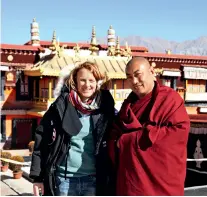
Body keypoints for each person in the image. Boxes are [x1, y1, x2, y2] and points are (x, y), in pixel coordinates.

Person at [30, 61, 115, 196]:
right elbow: (41, 140)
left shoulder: (105, 108)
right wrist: (37, 178)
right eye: (82, 80)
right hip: (64, 179)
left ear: (97, 82)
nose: (87, 85)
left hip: (94, 178)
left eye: (91, 80)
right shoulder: (61, 107)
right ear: (75, 81)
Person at [108, 57, 190, 196]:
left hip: (161, 183)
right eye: (129, 77)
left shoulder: (170, 99)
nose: (134, 81)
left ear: (152, 71)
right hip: (132, 182)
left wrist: (128, 140)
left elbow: (177, 134)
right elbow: (114, 134)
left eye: (138, 75)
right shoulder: (128, 104)